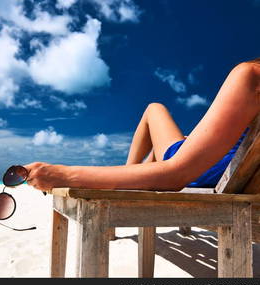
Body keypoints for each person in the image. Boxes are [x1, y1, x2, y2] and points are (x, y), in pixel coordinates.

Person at [25, 58, 260, 192]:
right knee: (163, 120)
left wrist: (65, 174)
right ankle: (137, 170)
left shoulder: (252, 76)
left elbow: (177, 174)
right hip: (221, 163)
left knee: (153, 109)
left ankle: (130, 171)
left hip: (201, 169)